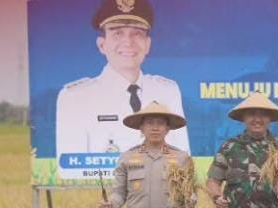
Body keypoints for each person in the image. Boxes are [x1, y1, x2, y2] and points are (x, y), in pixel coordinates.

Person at [55, 0, 188, 168]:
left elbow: (183, 162)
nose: (128, 42)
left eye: (137, 33)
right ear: (102, 44)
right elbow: (70, 169)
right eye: (118, 33)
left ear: (148, 45)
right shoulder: (75, 97)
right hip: (102, 191)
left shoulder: (167, 91)